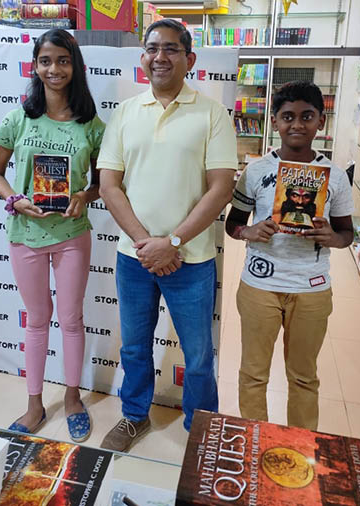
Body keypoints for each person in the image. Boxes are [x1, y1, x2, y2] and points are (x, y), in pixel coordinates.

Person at [96, 19, 237, 452]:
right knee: (135, 347)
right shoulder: (125, 113)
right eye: (152, 48)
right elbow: (108, 185)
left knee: (197, 358)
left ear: (189, 59)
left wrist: (171, 243)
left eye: (171, 49)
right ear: (143, 57)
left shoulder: (212, 114)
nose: (160, 56)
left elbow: (221, 187)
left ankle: (201, 425)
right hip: (134, 259)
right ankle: (134, 416)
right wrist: (147, 244)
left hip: (190, 260)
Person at [0, 29, 104, 442]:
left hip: (72, 234)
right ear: (35, 66)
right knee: (38, 322)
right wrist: (14, 200)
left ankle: (72, 398)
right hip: (26, 235)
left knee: (71, 320)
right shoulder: (18, 117)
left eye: (63, 60)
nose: (54, 69)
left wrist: (84, 196)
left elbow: (103, 183)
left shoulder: (90, 124)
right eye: (46, 61)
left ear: (75, 66)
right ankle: (35, 404)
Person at [225, 81, 354, 429]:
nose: (297, 124)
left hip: (311, 289)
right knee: (253, 373)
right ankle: (256, 439)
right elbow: (233, 223)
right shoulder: (254, 171)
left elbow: (347, 233)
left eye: (307, 116)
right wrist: (249, 231)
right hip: (259, 286)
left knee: (303, 376)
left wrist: (332, 237)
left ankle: (301, 443)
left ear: (321, 122)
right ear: (275, 121)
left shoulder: (336, 177)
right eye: (288, 117)